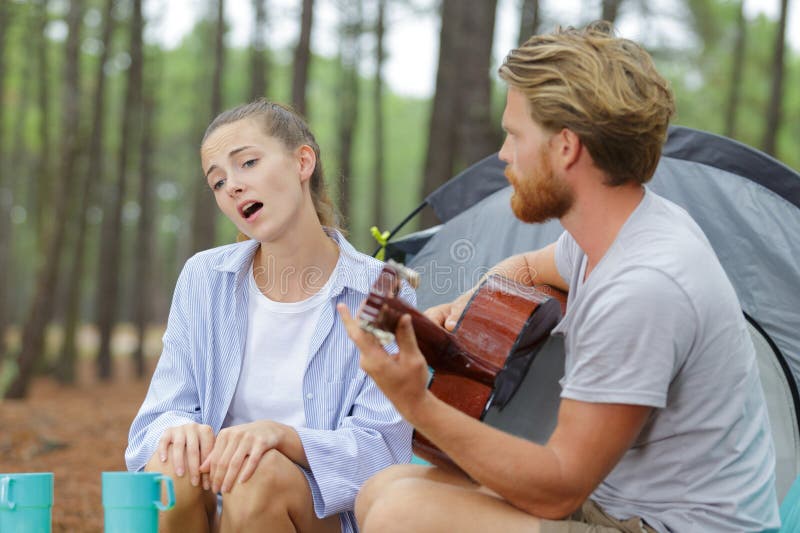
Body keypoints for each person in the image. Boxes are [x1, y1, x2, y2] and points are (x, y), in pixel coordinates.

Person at [339, 22, 780, 533]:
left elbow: (560, 487)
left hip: (675, 527)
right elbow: (527, 268)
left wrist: (415, 402)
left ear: (566, 147)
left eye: (515, 134)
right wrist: (466, 309)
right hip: (615, 506)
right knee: (382, 489)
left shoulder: (645, 286)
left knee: (401, 515)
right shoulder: (613, 233)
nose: (504, 154)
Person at [125, 99, 414, 533]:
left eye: (248, 163)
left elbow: (383, 450)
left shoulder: (383, 290)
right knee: (171, 466)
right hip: (214, 503)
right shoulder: (205, 278)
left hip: (321, 512)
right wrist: (178, 429)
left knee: (256, 477)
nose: (232, 186)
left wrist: (282, 437)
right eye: (218, 181)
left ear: (302, 162)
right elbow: (156, 418)